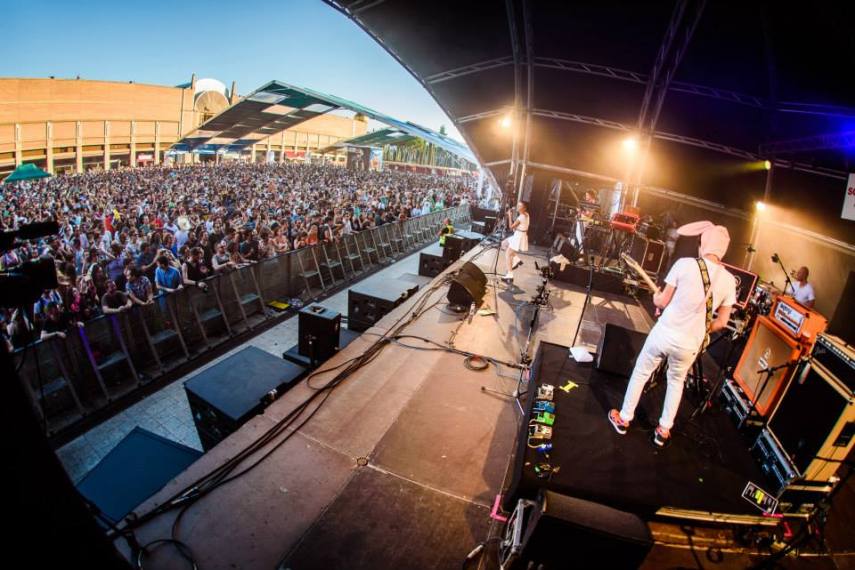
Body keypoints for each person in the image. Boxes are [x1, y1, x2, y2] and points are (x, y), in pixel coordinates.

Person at [608, 222, 736, 447]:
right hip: (691, 344)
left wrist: (657, 298)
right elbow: (722, 322)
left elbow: (662, 301)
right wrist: (700, 329)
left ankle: (624, 419)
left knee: (641, 372)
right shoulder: (729, 281)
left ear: (703, 243)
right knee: (676, 382)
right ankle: (663, 431)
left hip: (665, 333)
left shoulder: (685, 265)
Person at [502, 201, 529, 281]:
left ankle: (510, 274)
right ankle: (516, 259)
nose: (518, 207)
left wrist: (509, 216)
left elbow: (510, 227)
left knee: (508, 254)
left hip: (518, 236)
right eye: (518, 205)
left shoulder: (521, 217)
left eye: (520, 206)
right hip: (519, 234)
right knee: (504, 244)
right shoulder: (527, 214)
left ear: (524, 208)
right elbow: (523, 227)